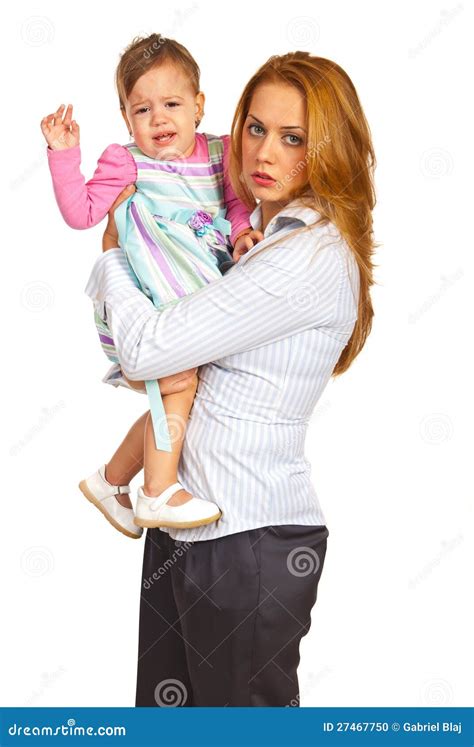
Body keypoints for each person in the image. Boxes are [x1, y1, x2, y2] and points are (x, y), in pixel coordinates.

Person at [85, 51, 376, 706]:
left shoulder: (308, 254)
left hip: (249, 541)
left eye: (293, 137)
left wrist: (111, 261)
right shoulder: (256, 242)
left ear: (328, 148)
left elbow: (149, 347)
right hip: (189, 529)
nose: (263, 151)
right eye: (255, 127)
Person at [40, 34, 261, 537]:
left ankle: (109, 481)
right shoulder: (125, 161)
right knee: (178, 383)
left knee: (180, 396)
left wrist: (245, 229)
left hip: (203, 287)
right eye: (143, 109)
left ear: (199, 105)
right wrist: (64, 156)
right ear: (125, 119)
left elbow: (235, 205)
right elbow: (83, 214)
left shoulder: (220, 153)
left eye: (172, 104)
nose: (159, 119)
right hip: (152, 295)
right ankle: (157, 491)